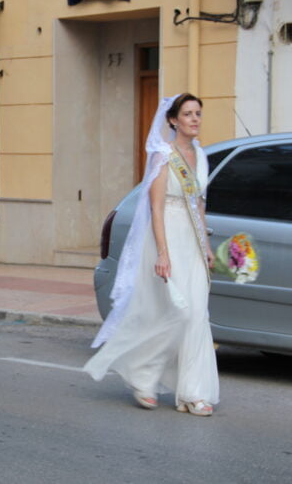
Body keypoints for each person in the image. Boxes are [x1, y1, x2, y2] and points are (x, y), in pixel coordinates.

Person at [83, 93, 218, 417]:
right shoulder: (163, 156)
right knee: (175, 313)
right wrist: (163, 254)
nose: (195, 119)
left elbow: (199, 204)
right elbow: (156, 208)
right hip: (166, 239)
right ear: (173, 120)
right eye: (188, 114)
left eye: (198, 113)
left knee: (197, 316)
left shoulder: (200, 156)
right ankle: (142, 376)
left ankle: (192, 393)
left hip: (193, 243)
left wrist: (208, 248)